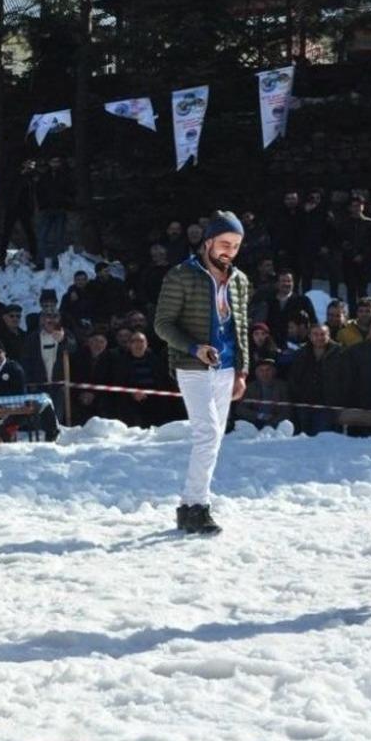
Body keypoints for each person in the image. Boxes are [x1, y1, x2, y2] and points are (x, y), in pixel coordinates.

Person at [154, 210, 250, 535]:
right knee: (207, 434)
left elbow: (242, 329)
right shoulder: (181, 275)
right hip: (192, 366)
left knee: (214, 438)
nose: (229, 251)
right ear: (208, 241)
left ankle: (191, 506)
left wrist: (242, 371)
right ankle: (196, 506)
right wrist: (195, 347)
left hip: (226, 369)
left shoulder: (239, 280)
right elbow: (162, 324)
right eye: (224, 243)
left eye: (236, 246)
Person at [288, 323, 345, 436]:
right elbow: (294, 378)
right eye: (315, 334)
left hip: (328, 406)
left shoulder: (340, 353)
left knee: (324, 439)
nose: (319, 337)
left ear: (329, 335)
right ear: (309, 336)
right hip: (305, 404)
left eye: (323, 334)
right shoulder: (301, 353)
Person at [234, 359, 291, 429]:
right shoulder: (250, 388)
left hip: (276, 424)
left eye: (268, 370)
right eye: (261, 370)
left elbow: (287, 411)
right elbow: (240, 409)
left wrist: (272, 422)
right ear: (256, 373)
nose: (265, 373)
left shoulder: (283, 387)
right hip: (254, 423)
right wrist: (259, 415)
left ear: (274, 371)